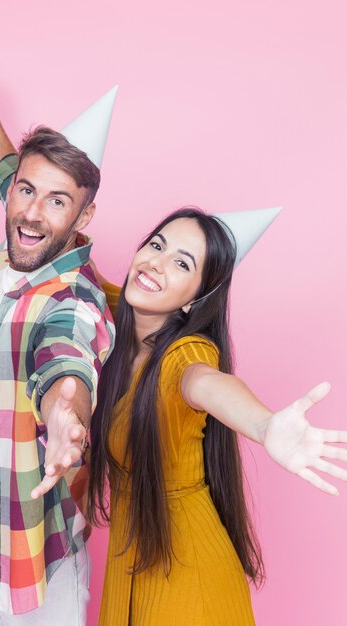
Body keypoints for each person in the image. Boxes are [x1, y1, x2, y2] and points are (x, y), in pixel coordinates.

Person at [87, 207, 347, 625]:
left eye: (181, 263)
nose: (156, 262)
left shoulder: (185, 355)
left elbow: (205, 382)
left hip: (189, 575)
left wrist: (264, 425)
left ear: (196, 299)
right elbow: (68, 253)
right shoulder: (119, 313)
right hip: (138, 555)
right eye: (156, 245)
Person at [0, 62, 116, 623]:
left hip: (35, 539)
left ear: (85, 215)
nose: (33, 211)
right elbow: (12, 170)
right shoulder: (19, 239)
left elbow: (69, 359)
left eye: (58, 201)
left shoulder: (74, 300)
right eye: (25, 191)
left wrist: (67, 421)